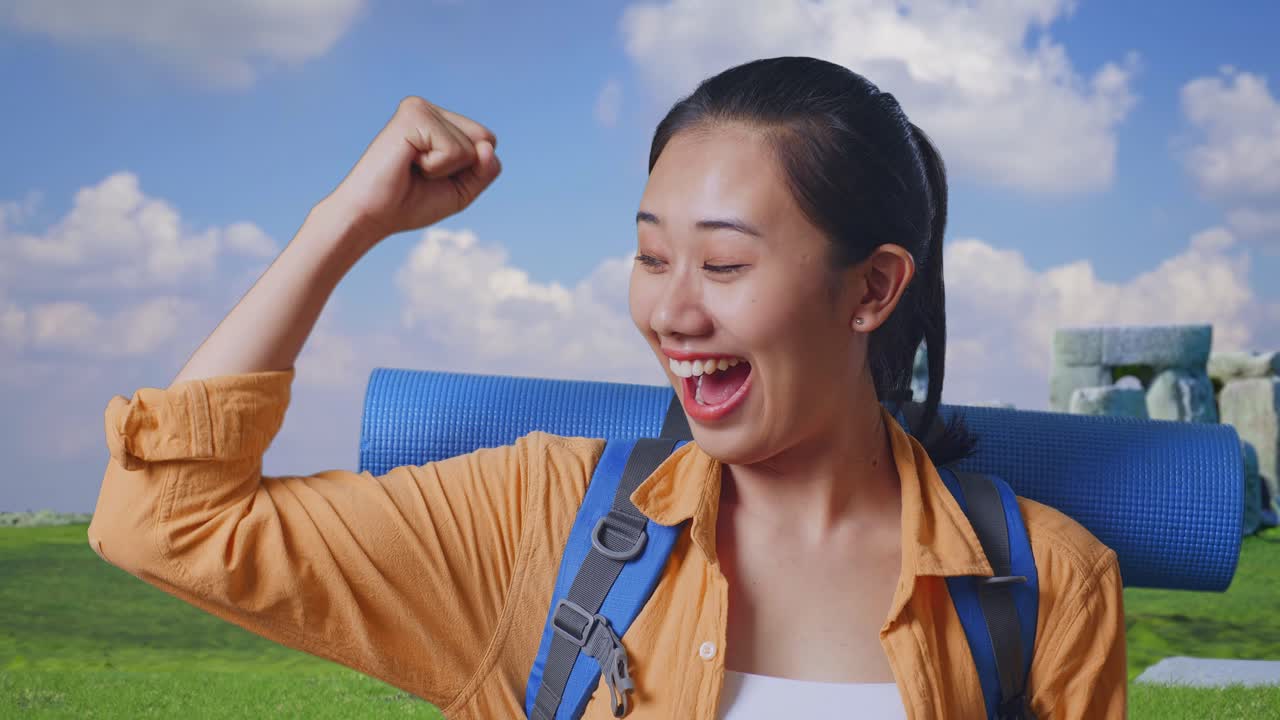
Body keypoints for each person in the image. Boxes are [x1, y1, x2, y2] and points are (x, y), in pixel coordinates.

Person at [88, 57, 1126, 718]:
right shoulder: (546, 523)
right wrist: (341, 224)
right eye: (648, 257)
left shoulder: (1042, 588)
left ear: (871, 289)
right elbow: (164, 524)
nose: (672, 314)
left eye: (722, 266)